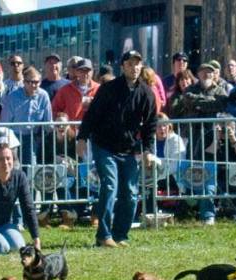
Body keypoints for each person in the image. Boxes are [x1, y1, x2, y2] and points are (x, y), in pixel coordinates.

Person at [75, 50, 157, 247]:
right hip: (104, 146)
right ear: (122, 67)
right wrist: (82, 138)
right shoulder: (109, 88)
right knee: (110, 186)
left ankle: (120, 235)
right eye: (130, 63)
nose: (134, 67)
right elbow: (92, 114)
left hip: (129, 149)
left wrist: (148, 149)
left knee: (130, 192)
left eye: (137, 63)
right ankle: (103, 236)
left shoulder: (146, 93)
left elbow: (150, 124)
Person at [0, 66, 53, 165]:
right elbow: (5, 122)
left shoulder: (44, 96)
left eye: (36, 82)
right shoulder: (13, 97)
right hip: (14, 135)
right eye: (30, 82)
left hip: (33, 137)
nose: (34, 85)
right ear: (24, 82)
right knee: (13, 166)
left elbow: (48, 123)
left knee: (30, 167)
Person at [52, 58, 100, 123]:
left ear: (92, 72)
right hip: (71, 131)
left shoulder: (99, 89)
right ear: (76, 72)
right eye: (81, 70)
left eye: (88, 70)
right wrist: (61, 117)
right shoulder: (65, 90)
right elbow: (54, 109)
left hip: (92, 130)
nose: (85, 73)